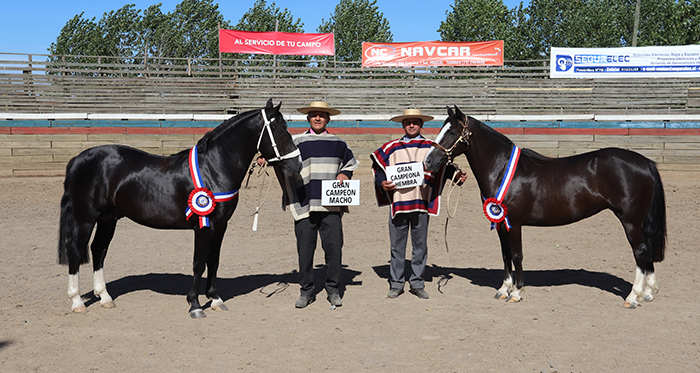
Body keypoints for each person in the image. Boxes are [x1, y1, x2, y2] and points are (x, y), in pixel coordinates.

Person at [370, 109, 466, 299]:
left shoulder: (431, 146)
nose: (411, 125)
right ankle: (396, 283)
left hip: (421, 203)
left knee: (420, 246)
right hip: (398, 204)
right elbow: (379, 167)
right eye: (408, 122)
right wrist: (382, 182)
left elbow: (444, 167)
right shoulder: (391, 147)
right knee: (397, 247)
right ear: (403, 125)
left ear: (421, 125)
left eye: (415, 122)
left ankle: (417, 282)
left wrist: (456, 175)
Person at [280, 101, 359, 308]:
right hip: (304, 204)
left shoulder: (339, 143)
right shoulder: (295, 141)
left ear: (328, 119)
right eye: (314, 115)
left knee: (334, 249)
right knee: (305, 251)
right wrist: (265, 159)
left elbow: (350, 162)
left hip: (331, 206)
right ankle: (306, 290)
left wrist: (345, 173)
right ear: (308, 118)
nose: (317, 118)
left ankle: (333, 289)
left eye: (321, 115)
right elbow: (280, 159)